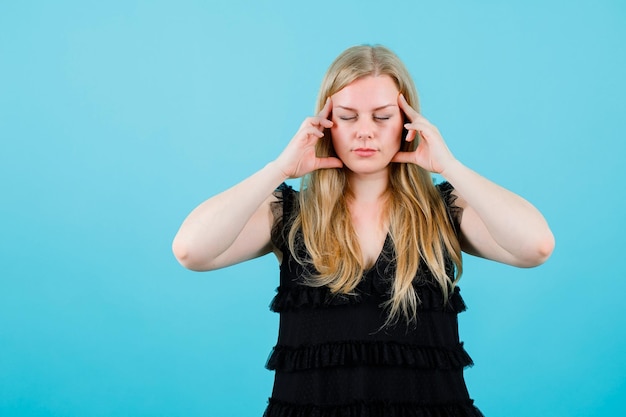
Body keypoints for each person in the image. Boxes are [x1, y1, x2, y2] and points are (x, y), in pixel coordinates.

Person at [172, 44, 555, 417]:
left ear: (407, 122)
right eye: (348, 116)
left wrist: (450, 166)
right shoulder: (289, 214)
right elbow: (192, 250)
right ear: (326, 124)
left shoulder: (444, 211)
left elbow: (535, 246)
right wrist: (278, 169)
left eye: (383, 116)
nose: (365, 132)